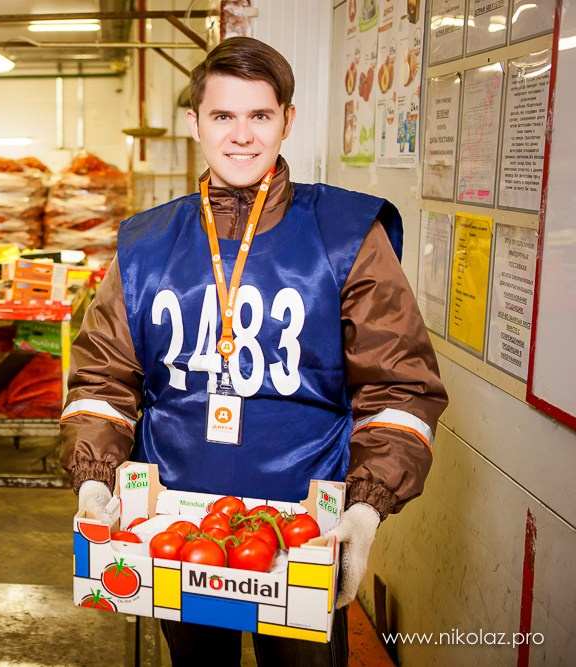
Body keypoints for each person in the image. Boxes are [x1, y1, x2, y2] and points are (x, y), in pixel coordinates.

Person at [60, 37, 448, 667]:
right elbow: (104, 380)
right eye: (222, 115)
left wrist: (365, 508)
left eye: (260, 115)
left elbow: (398, 388)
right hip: (174, 527)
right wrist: (94, 481)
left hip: (306, 529)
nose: (241, 136)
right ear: (195, 122)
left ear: (287, 120)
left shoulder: (347, 235)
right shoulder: (145, 245)